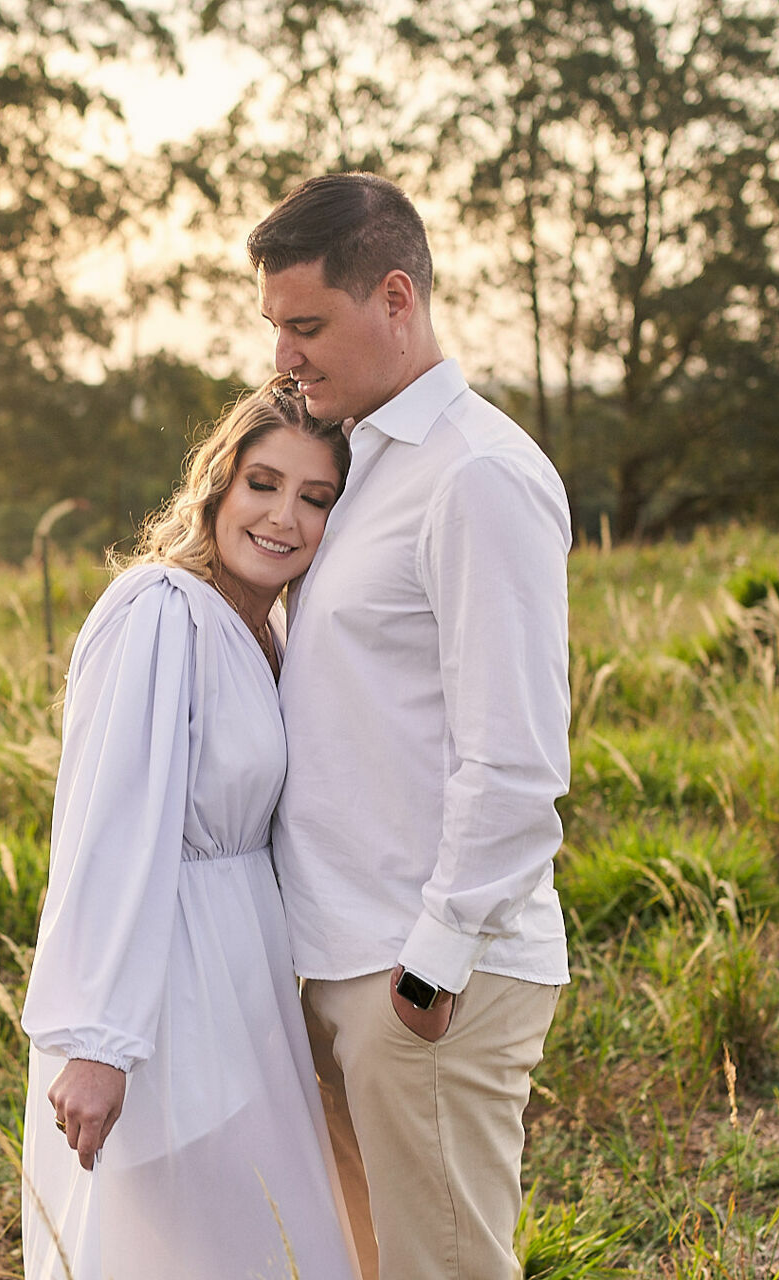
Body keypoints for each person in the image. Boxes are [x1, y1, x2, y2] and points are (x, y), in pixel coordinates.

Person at [251, 172, 572, 1280]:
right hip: (340, 961)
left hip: (429, 976)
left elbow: (518, 757)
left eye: (306, 324)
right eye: (274, 328)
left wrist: (428, 972)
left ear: (397, 297)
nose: (284, 355)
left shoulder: (478, 474)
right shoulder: (357, 469)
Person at [21, 376, 361, 1280]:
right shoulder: (162, 612)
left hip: (242, 978)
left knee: (257, 1244)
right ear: (217, 483)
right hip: (166, 994)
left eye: (314, 497)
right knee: (185, 1246)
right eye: (263, 483)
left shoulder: (264, 631)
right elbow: (111, 831)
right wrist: (99, 1043)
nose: (283, 516)